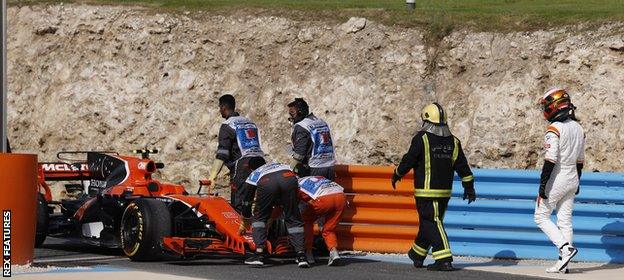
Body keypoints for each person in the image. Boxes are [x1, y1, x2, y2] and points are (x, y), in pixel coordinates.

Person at [391, 102, 476, 271]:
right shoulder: (454, 141)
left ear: (426, 120)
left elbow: (409, 159)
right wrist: (469, 187)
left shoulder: (421, 138)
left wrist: (397, 173)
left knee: (432, 221)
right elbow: (463, 167)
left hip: (425, 192)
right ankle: (417, 253)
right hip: (444, 193)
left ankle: (444, 259)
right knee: (429, 222)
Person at [533, 88, 584, 274]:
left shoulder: (554, 128)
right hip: (573, 178)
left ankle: (565, 249)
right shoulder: (579, 128)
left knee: (540, 216)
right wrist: (578, 181)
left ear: (553, 106)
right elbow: (581, 160)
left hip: (557, 178)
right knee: (565, 221)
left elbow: (551, 158)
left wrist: (543, 183)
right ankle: (565, 264)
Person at [207, 94, 266, 215]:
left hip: (243, 166)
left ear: (223, 107)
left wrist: (213, 176)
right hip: (261, 164)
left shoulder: (227, 125)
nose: (219, 111)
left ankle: (240, 231)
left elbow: (223, 153)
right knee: (256, 202)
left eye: (219, 107)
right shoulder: (250, 123)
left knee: (239, 203)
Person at [242, 162, 309, 268]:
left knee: (259, 218)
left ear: (251, 169)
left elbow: (247, 200)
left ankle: (259, 254)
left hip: (267, 183)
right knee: (293, 216)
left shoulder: (254, 173)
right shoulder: (278, 164)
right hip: (288, 178)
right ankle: (301, 255)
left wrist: (245, 217)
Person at [297, 176, 346, 266]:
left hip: (324, 199)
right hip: (341, 197)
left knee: (306, 220)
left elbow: (296, 202)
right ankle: (334, 252)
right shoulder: (318, 178)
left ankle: (308, 253)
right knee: (329, 229)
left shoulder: (297, 184)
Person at [287, 98, 336, 180]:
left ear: (300, 112)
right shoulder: (321, 122)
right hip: (330, 167)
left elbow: (300, 154)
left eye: (292, 113)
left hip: (314, 168)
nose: (290, 117)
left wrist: (291, 169)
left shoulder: (302, 126)